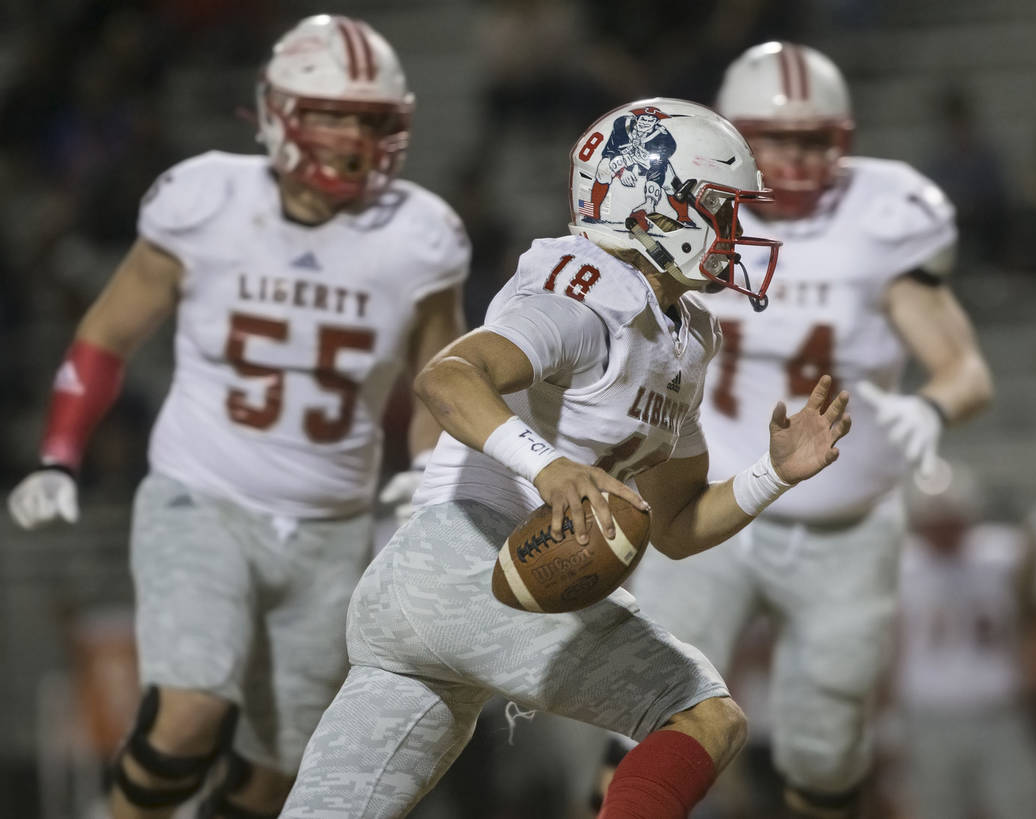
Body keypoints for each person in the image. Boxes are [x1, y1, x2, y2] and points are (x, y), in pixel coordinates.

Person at [278, 96, 851, 819]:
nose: (735, 229)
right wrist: (547, 466)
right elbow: (447, 376)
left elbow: (675, 523)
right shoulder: (586, 287)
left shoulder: (685, 332)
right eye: (720, 207)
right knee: (704, 713)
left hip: (429, 595)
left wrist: (774, 473)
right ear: (654, 205)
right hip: (468, 562)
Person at [6, 14, 470, 819]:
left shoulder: (421, 232)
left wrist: (430, 476)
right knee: (188, 712)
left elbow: (443, 379)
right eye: (333, 112)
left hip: (332, 528)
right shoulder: (208, 197)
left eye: (371, 117)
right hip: (204, 495)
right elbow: (109, 330)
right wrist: (59, 450)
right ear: (279, 111)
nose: (355, 135)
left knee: (274, 774)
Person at [594, 42, 995, 819]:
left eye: (814, 138)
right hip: (709, 504)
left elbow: (964, 368)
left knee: (824, 748)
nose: (794, 156)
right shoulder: (686, 208)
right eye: (775, 137)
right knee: (643, 700)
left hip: (842, 523)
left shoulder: (885, 215)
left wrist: (933, 406)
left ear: (842, 137)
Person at [891, 464, 1036, 819]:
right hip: (929, 711)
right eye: (935, 521)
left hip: (999, 707)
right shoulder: (903, 565)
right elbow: (892, 641)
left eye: (950, 518)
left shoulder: (1004, 554)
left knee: (1019, 805)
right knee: (936, 807)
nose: (944, 530)